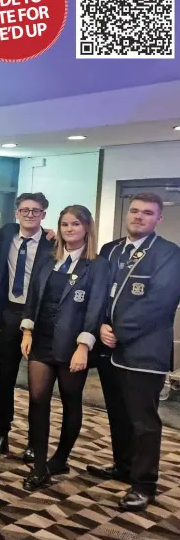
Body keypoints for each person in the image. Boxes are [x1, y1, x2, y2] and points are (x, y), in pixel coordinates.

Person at [87, 192, 180, 512]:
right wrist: (100, 326)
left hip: (144, 351)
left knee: (144, 421)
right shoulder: (111, 250)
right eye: (135, 211)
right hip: (110, 349)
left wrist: (119, 332)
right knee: (118, 414)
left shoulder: (169, 254)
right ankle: (123, 465)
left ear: (158, 218)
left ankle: (144, 484)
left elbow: (160, 303)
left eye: (148, 213)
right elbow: (98, 292)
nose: (139, 216)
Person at [20, 205, 109, 491]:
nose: (69, 229)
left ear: (87, 228)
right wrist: (27, 329)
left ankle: (60, 459)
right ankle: (39, 467)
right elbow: (33, 297)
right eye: (65, 224)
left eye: (75, 225)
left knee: (71, 401)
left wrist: (84, 346)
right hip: (42, 341)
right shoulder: (48, 259)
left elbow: (96, 309)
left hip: (73, 345)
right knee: (37, 400)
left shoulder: (97, 264)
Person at [0, 192, 53, 462]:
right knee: (5, 381)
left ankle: (35, 443)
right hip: (12, 313)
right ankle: (0, 435)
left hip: (40, 318)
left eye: (36, 211)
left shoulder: (51, 244)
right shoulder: (7, 234)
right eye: (25, 210)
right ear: (16, 213)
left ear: (44, 214)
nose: (30, 214)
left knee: (39, 386)